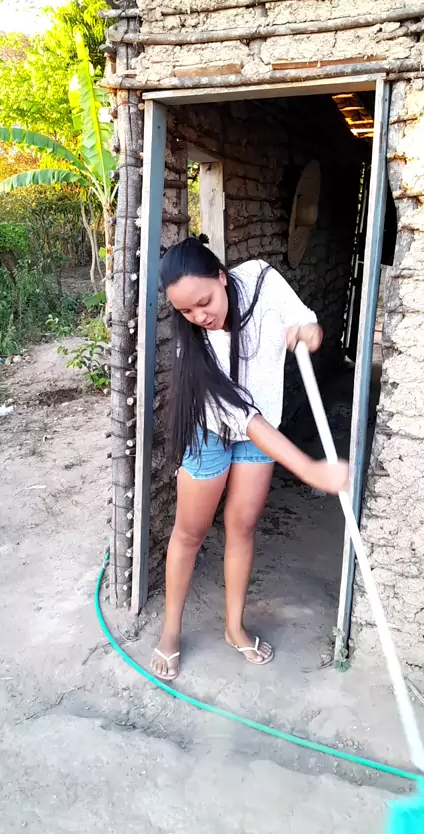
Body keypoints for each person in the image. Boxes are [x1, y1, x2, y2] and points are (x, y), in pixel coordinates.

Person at [151, 236, 348, 681]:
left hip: (260, 433)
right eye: (186, 311)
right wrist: (309, 468)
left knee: (242, 527)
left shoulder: (262, 281)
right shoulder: (194, 345)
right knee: (189, 533)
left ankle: (235, 628)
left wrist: (308, 333)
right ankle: (170, 631)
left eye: (204, 302)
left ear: (222, 277)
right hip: (212, 432)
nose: (199, 317)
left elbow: (305, 322)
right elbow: (245, 418)